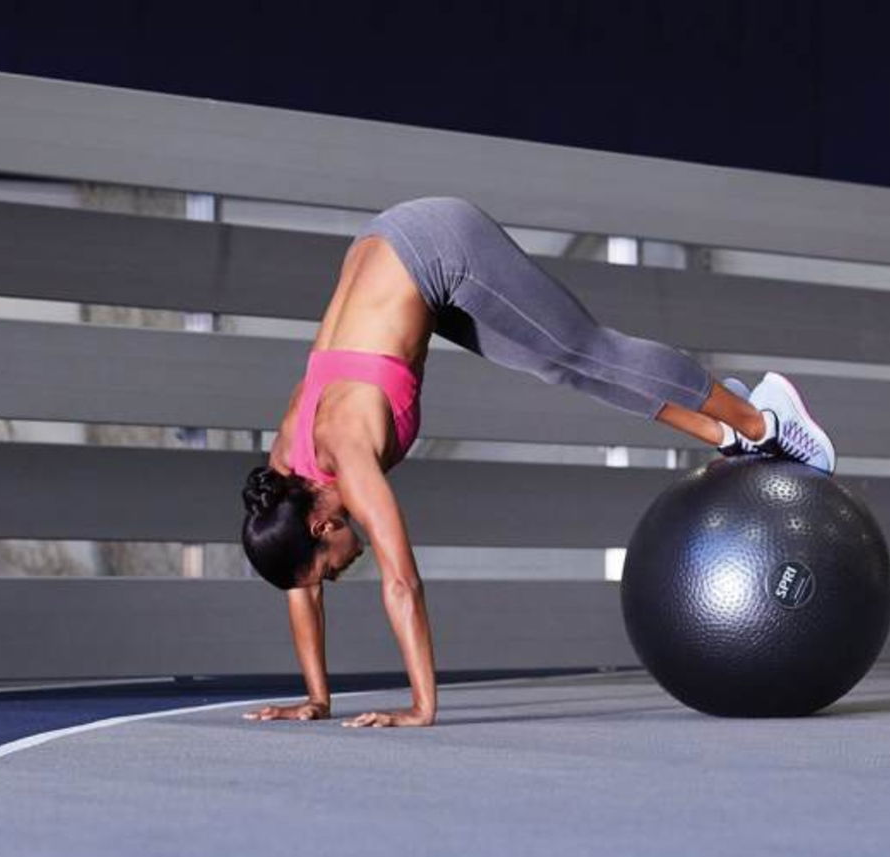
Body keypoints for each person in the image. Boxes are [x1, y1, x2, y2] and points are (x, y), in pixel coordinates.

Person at [240, 196, 835, 728]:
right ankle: (725, 431)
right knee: (557, 363)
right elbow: (299, 588)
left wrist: (422, 706)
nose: (338, 576)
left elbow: (402, 582)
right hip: (386, 247)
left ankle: (765, 417)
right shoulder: (285, 471)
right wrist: (315, 698)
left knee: (585, 347)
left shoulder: (346, 451)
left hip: (437, 243)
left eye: (332, 571)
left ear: (322, 527)